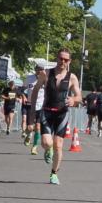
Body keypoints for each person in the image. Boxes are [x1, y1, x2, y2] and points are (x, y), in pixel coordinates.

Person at [30, 49, 81, 184]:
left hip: (61, 114)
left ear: (69, 61)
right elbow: (35, 91)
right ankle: (48, 150)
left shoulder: (72, 77)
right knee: (46, 143)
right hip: (46, 111)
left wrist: (74, 100)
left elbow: (79, 96)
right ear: (57, 58)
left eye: (66, 59)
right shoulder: (46, 74)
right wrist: (32, 111)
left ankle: (54, 174)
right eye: (60, 58)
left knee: (58, 145)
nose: (62, 61)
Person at [26, 65, 46, 154]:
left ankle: (34, 147)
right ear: (35, 70)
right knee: (30, 128)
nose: (40, 72)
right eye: (38, 70)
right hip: (31, 105)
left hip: (41, 106)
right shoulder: (29, 78)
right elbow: (21, 89)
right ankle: (28, 135)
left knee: (38, 127)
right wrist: (23, 96)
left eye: (42, 70)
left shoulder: (46, 80)